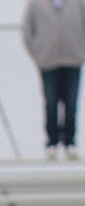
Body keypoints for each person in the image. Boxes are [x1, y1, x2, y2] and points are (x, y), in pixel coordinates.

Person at [25, 0, 85, 159]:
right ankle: (52, 142)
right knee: (51, 102)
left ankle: (70, 142)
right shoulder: (35, 4)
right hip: (48, 61)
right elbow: (27, 31)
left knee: (71, 102)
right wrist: (38, 53)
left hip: (73, 59)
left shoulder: (78, 3)